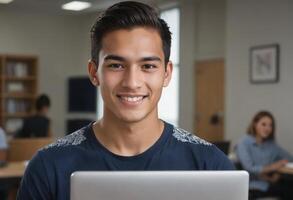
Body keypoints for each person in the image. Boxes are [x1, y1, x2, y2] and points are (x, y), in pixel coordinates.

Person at [17, 1, 234, 200]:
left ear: (166, 74)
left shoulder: (210, 165)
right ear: (94, 73)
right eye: (116, 65)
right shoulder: (48, 167)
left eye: (148, 66)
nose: (132, 82)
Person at [236, 110, 293, 200]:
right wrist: (273, 167)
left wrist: (277, 172)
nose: (267, 128)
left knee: (289, 182)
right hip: (253, 186)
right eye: (264, 124)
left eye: (270, 125)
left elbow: (289, 158)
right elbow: (249, 168)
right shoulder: (243, 143)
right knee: (289, 188)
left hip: (269, 182)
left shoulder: (271, 144)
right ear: (255, 124)